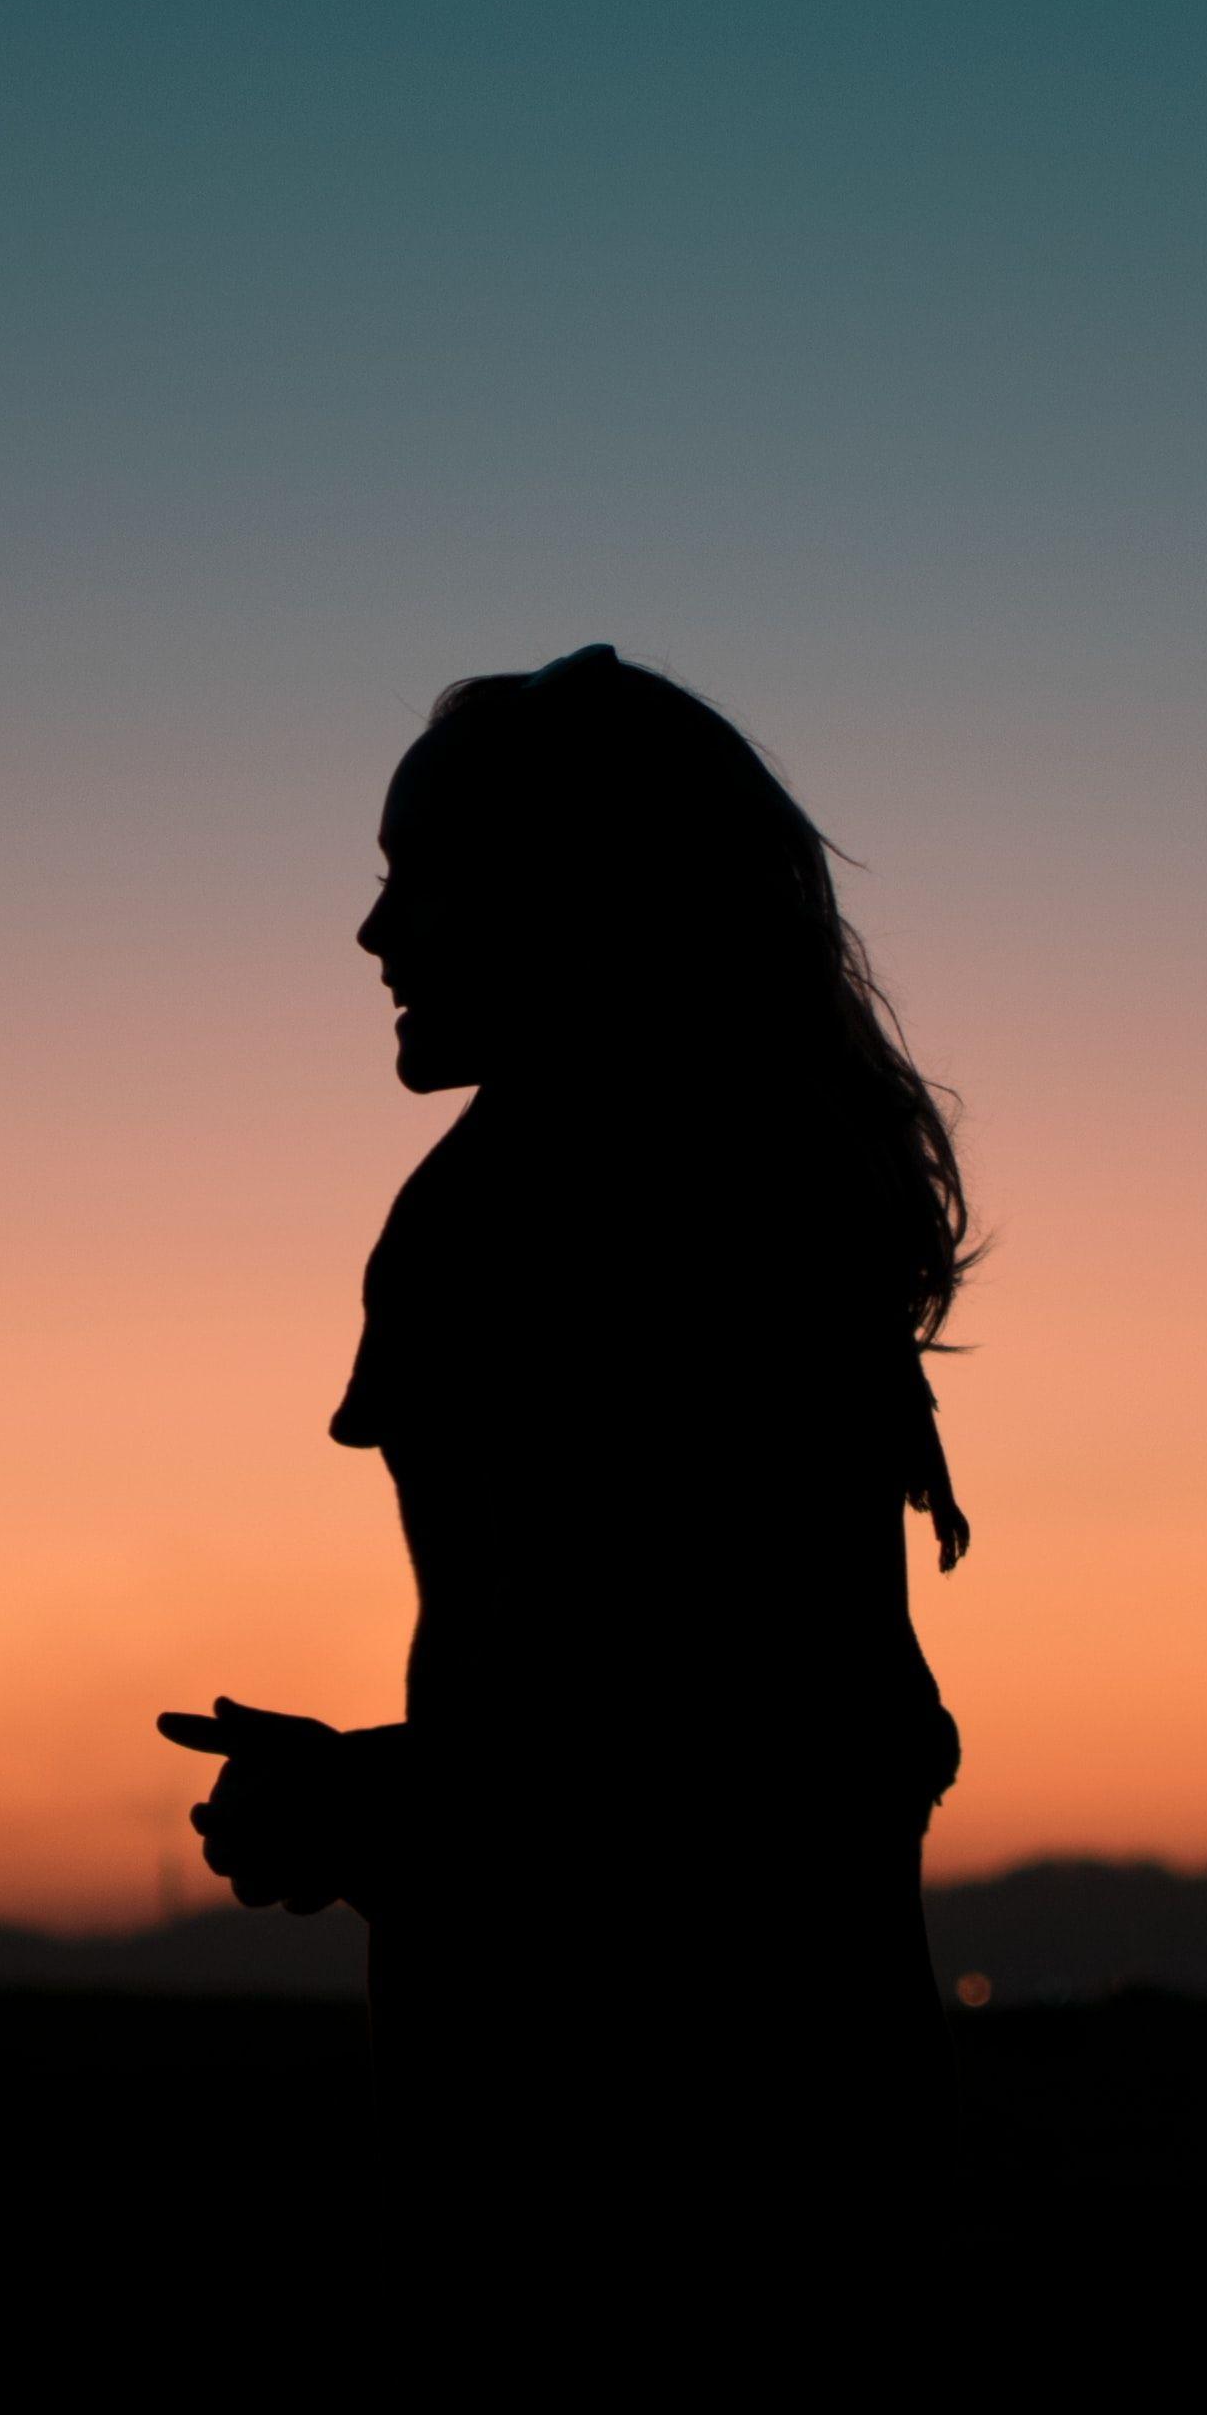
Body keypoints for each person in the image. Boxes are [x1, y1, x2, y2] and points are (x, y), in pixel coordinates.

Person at [159, 647, 973, 2239]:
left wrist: (369, 1807)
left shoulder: (571, 1213)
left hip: (646, 2133)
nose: (377, 932)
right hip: (771, 2092)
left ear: (583, 896)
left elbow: (731, 1750)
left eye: (428, 880)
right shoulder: (732, 1187)